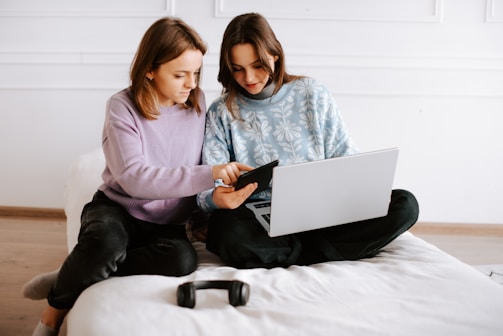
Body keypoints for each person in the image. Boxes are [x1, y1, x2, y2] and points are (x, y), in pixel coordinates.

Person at [23, 17, 253, 336]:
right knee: (105, 243)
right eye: (180, 74)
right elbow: (135, 179)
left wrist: (210, 204)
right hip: (118, 209)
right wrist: (210, 174)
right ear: (150, 69)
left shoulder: (198, 102)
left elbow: (200, 158)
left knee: (181, 261)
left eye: (196, 72)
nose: (191, 83)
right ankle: (52, 314)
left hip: (167, 225)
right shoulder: (121, 107)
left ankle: (76, 269)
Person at [197, 13, 420, 269]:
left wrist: (361, 188)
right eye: (238, 69)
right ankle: (326, 251)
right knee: (224, 232)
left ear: (275, 55)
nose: (249, 78)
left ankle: (290, 254)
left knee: (404, 204)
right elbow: (206, 189)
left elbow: (344, 154)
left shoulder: (312, 93)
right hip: (261, 219)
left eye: (258, 65)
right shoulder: (221, 111)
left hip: (324, 213)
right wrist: (216, 198)